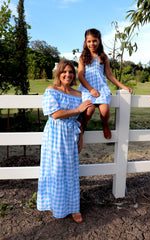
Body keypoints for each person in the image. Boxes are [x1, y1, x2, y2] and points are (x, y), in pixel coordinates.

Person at [37, 60, 92, 223]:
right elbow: (55, 114)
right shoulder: (51, 90)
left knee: (71, 172)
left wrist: (81, 135)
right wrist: (77, 109)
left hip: (71, 135)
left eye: (71, 72)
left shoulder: (79, 94)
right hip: (54, 135)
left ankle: (74, 208)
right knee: (55, 170)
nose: (67, 75)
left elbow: (85, 113)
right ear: (59, 74)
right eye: (64, 72)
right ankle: (56, 204)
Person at [78, 28, 133, 139]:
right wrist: (91, 89)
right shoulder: (83, 57)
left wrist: (123, 86)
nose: (92, 43)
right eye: (89, 41)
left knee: (105, 109)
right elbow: (80, 75)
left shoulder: (103, 57)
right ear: (85, 42)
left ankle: (105, 124)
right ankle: (83, 125)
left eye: (94, 40)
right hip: (88, 88)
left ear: (99, 41)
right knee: (90, 109)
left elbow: (109, 75)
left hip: (101, 88)